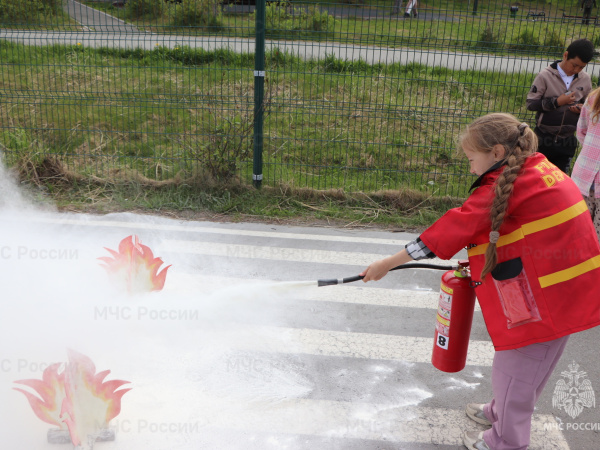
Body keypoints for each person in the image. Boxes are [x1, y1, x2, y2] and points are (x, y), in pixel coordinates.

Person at [360, 113, 600, 450]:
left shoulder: (511, 183)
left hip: (551, 298)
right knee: (527, 370)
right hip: (565, 289)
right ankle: (500, 412)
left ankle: (507, 441)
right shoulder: (537, 168)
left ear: (497, 151)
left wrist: (387, 263)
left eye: (472, 159)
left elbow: (454, 228)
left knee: (518, 371)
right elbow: (525, 233)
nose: (471, 169)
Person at [526, 38, 594, 173]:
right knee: (537, 177)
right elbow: (531, 104)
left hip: (567, 141)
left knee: (560, 180)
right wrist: (557, 102)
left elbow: (589, 105)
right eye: (574, 65)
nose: (576, 70)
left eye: (581, 67)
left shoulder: (585, 79)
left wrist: (582, 109)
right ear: (565, 55)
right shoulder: (545, 76)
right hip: (543, 138)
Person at [573, 87, 600, 242]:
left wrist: (591, 153)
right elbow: (582, 130)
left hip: (583, 174)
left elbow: (581, 131)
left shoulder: (594, 96)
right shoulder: (594, 97)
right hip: (584, 179)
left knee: (580, 236)